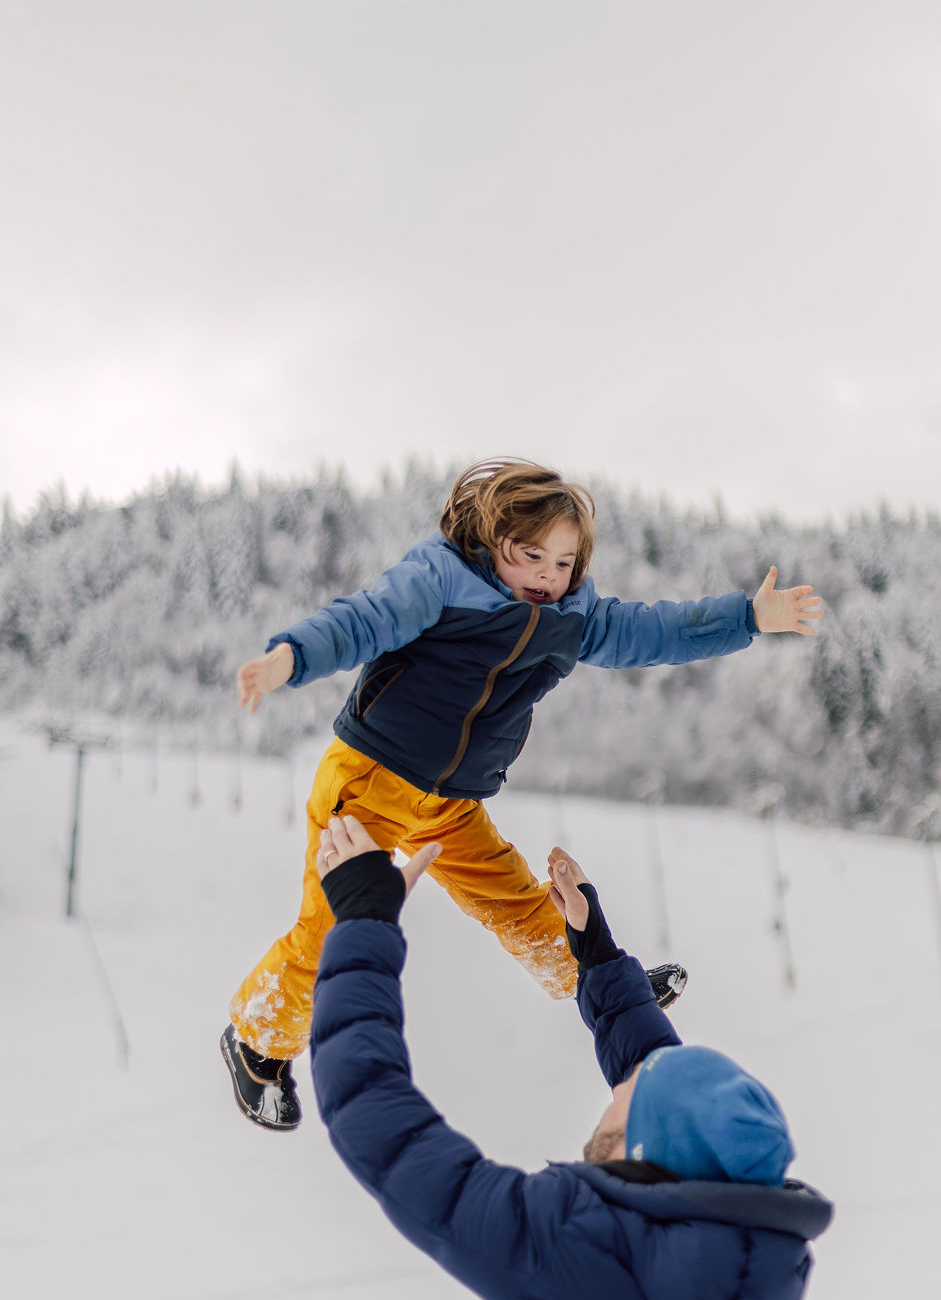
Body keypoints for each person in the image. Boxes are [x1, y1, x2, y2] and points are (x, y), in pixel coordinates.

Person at [222, 458, 822, 1130]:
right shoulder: (440, 579)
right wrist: (288, 659)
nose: (546, 574)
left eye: (563, 562)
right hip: (367, 783)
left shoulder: (571, 615)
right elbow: (362, 620)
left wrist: (747, 616)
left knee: (513, 899)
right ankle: (255, 1043)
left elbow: (657, 630)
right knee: (332, 929)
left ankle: (599, 983)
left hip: (451, 804)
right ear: (489, 539)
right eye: (530, 554)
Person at [309, 813, 833, 1300]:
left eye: (629, 1095)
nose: (618, 1082)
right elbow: (666, 1089)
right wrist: (597, 952)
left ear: (647, 1153)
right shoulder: (752, 1272)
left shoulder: (570, 1247)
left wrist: (364, 925)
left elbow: (376, 1116)